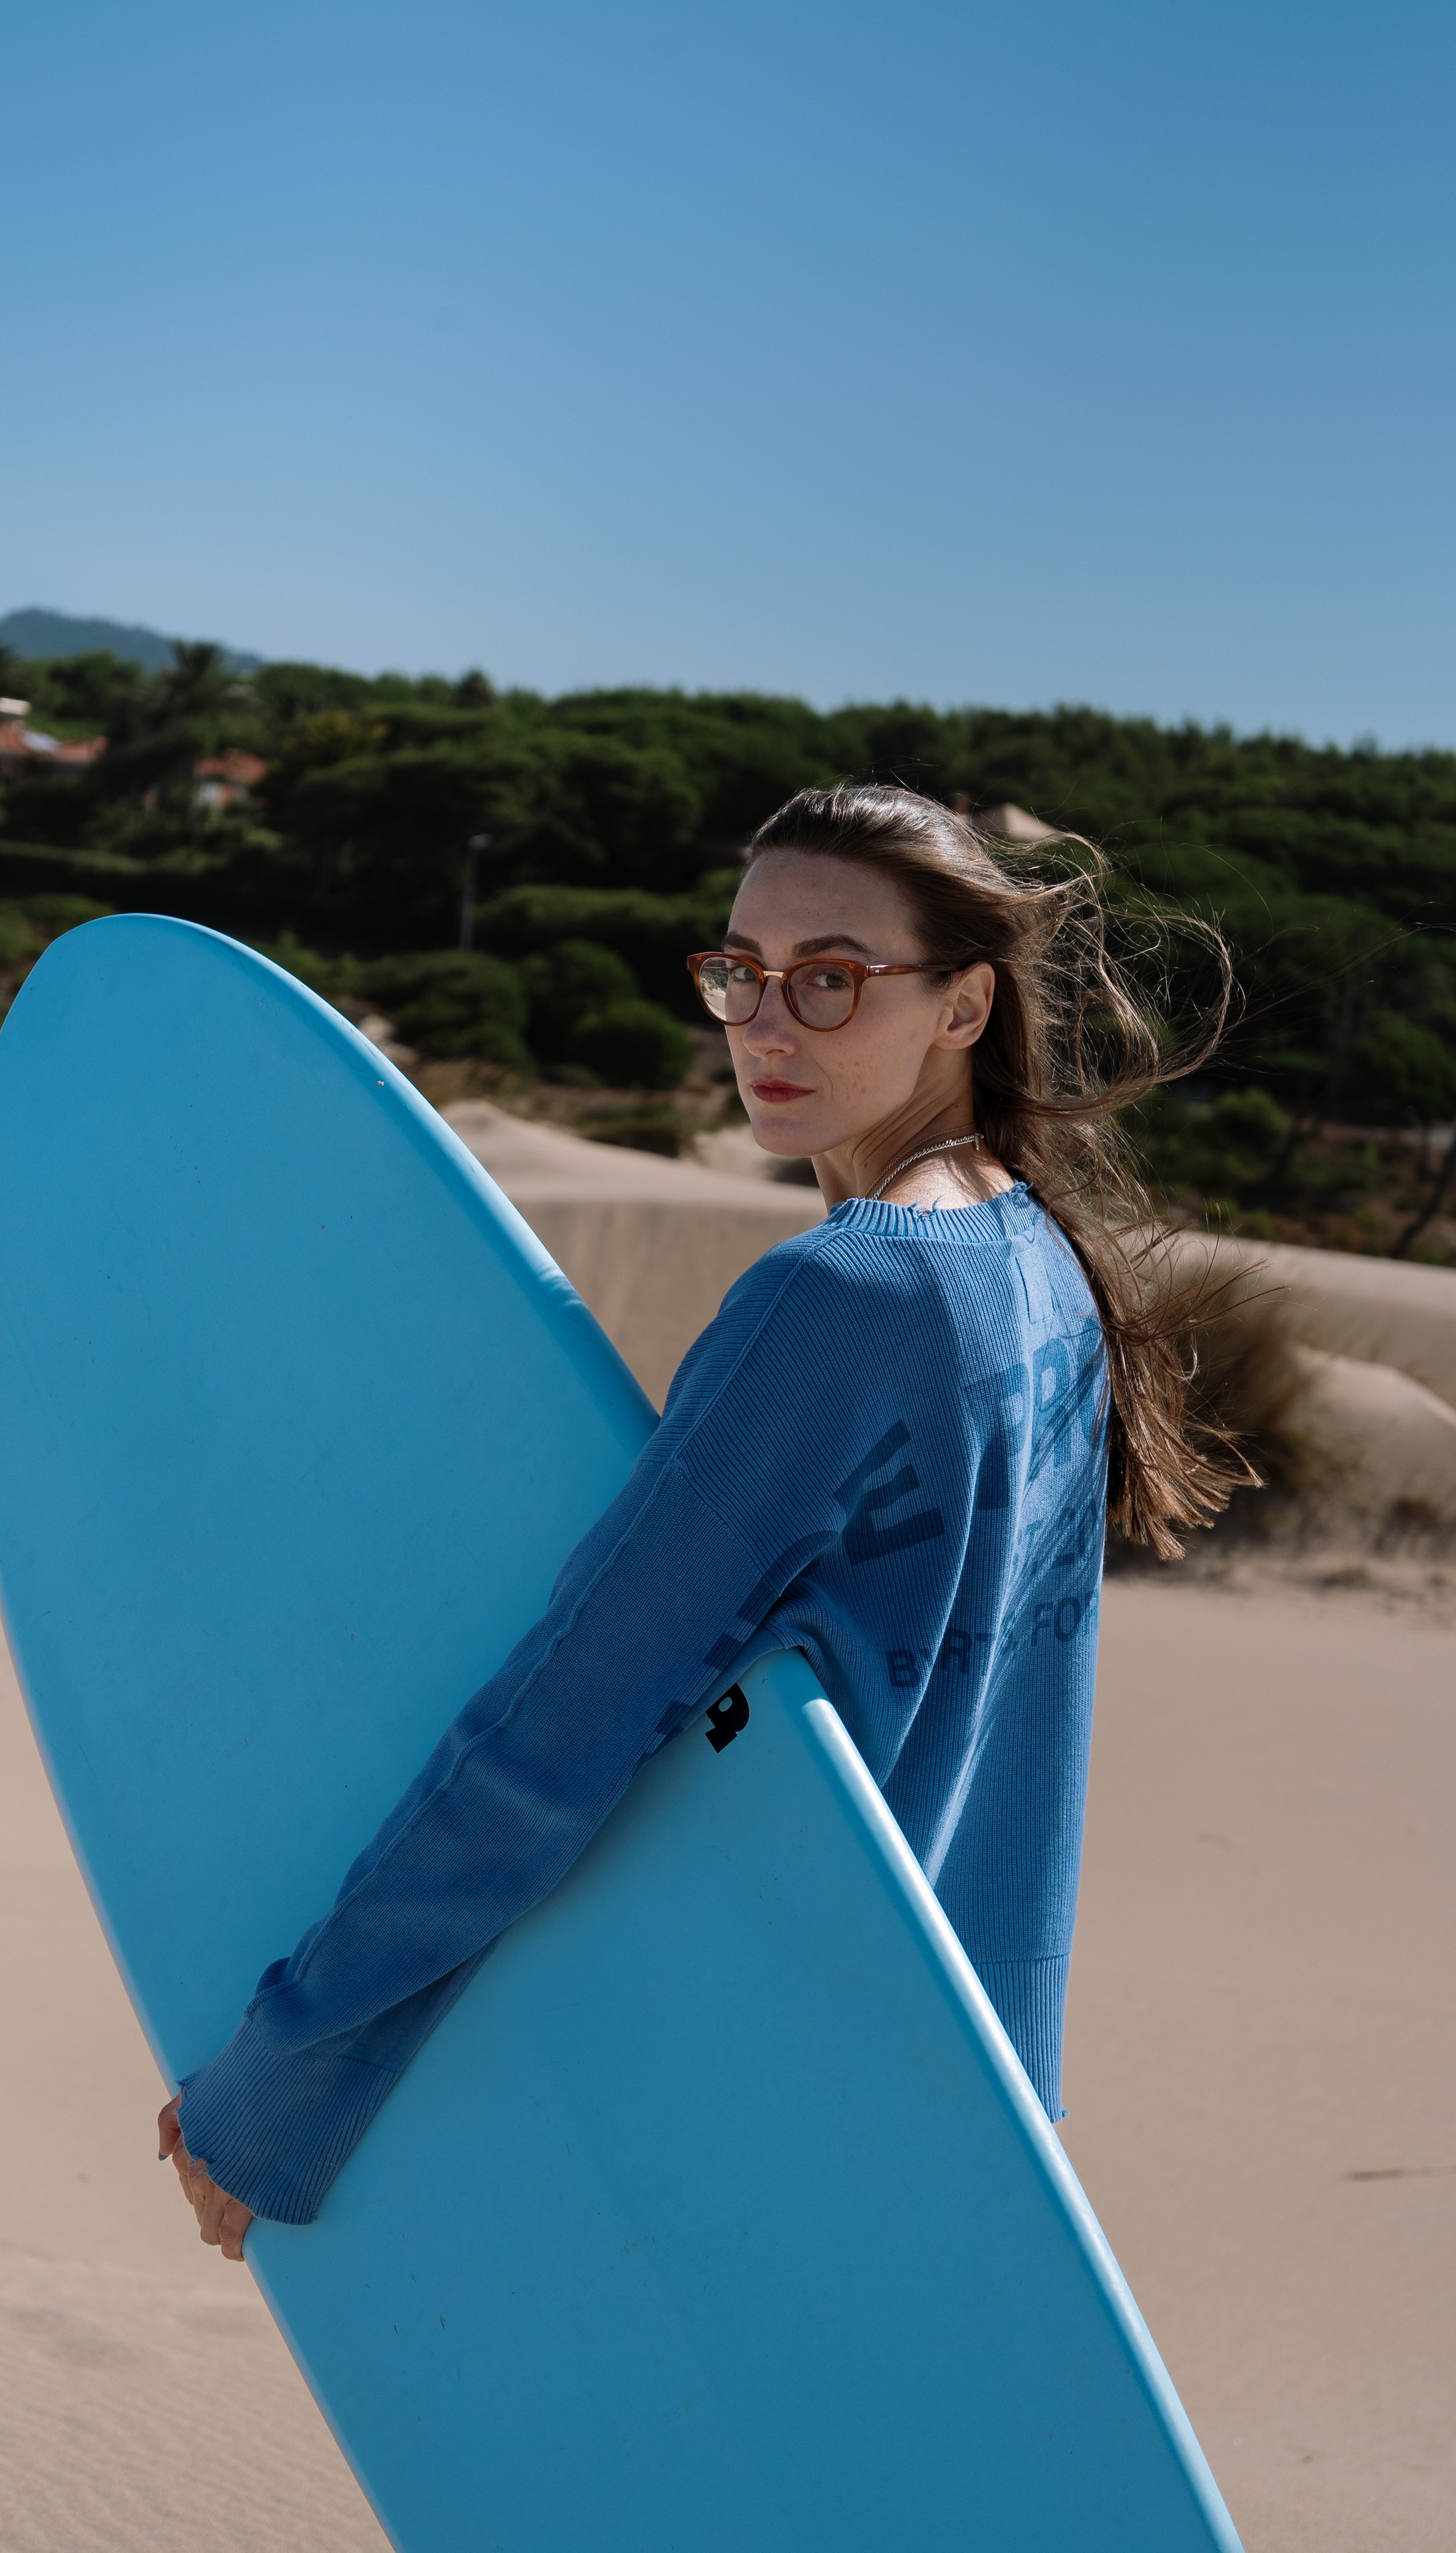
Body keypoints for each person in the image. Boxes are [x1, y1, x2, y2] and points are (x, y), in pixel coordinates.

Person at [160, 783, 1237, 2260]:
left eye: (830, 979)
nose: (765, 1023)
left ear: (962, 1008)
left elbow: (561, 1732)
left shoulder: (847, 1300)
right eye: (739, 972)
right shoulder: (1035, 1264)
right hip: (938, 2097)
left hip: (742, 2083)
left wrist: (291, 2063)